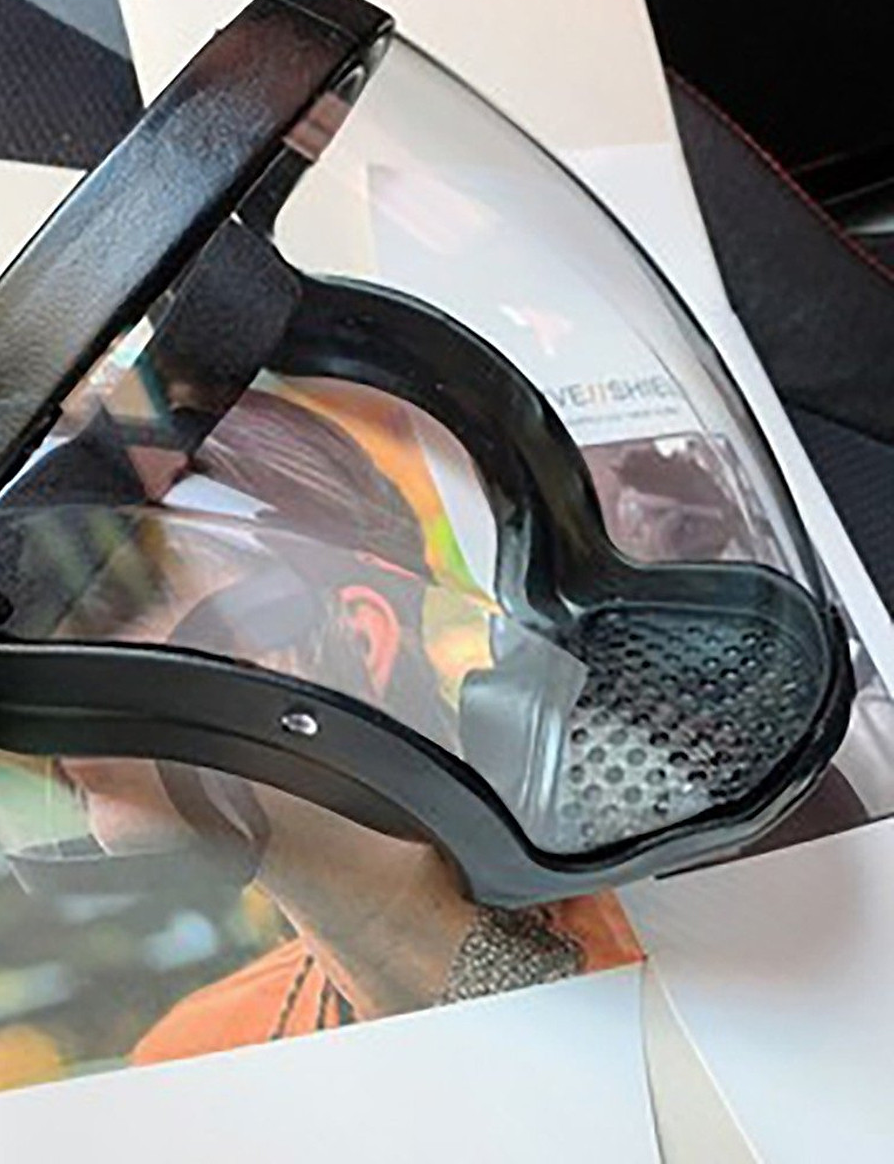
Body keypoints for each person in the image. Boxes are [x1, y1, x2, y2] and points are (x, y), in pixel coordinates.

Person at [50, 382, 641, 1065]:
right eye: (46, 625)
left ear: (359, 642)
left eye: (116, 604)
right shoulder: (194, 1063)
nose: (52, 665)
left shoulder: (677, 957)